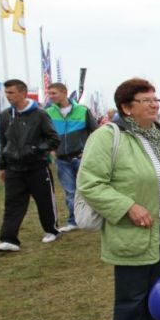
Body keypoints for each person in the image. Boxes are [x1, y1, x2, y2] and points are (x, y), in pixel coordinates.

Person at [77, 78, 160, 320]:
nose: (154, 104)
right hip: (134, 228)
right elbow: (90, 182)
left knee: (159, 289)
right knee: (132, 294)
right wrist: (128, 207)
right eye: (146, 100)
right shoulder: (108, 137)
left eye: (155, 99)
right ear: (127, 108)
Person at [0, 79, 61, 252]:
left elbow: (53, 139)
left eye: (11, 92)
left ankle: (51, 230)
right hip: (14, 168)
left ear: (23, 93)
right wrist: (2, 166)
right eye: (6, 93)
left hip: (37, 166)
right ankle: (9, 239)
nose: (8, 96)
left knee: (44, 201)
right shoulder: (5, 115)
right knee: (13, 203)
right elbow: (3, 141)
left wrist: (35, 149)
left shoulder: (40, 114)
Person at [45, 82, 98, 233]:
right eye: (49, 93)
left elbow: (95, 132)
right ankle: (73, 220)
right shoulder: (48, 112)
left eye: (54, 93)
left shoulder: (83, 110)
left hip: (82, 157)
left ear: (64, 92)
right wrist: (51, 151)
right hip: (62, 159)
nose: (51, 96)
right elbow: (46, 134)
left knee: (89, 188)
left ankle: (95, 216)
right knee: (70, 191)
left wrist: (89, 151)